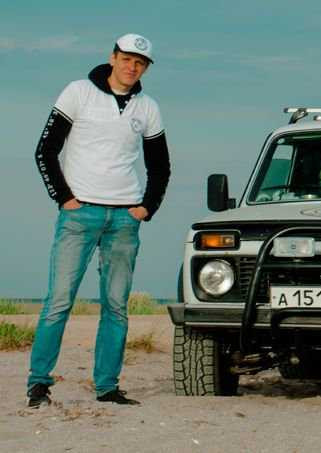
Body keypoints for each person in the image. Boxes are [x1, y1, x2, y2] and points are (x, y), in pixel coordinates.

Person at [28, 33, 170, 407]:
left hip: (125, 219)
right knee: (59, 301)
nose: (131, 67)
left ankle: (107, 387)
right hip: (80, 214)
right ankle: (38, 384)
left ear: (146, 68)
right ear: (113, 57)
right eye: (126, 59)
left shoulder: (148, 107)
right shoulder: (78, 92)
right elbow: (45, 151)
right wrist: (64, 198)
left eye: (140, 63)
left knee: (116, 306)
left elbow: (160, 166)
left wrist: (146, 207)